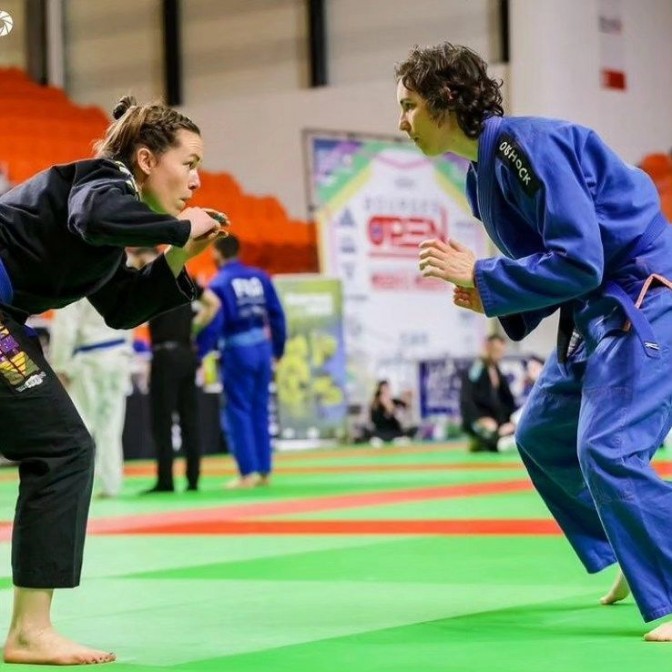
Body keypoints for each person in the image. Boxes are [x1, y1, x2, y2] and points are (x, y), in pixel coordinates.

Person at [398, 42, 672, 641]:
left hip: (651, 297)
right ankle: (639, 546)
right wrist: (486, 290)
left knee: (607, 448)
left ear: (445, 100)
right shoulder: (482, 175)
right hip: (595, 308)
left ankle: (664, 565)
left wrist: (486, 276)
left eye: (410, 105)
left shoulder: (526, 146)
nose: (402, 122)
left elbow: (579, 260)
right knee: (540, 436)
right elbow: (556, 270)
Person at [0, 94, 228, 664]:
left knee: (61, 445)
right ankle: (29, 631)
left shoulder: (106, 241)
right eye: (191, 161)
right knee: (63, 446)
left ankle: (30, 629)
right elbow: (94, 215)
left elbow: (122, 307)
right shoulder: (103, 180)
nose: (197, 180)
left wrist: (179, 254)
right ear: (147, 160)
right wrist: (176, 227)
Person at [196, 234, 286, 488]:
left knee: (238, 411)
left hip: (237, 349)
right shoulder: (260, 277)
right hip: (263, 348)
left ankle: (247, 473)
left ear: (217, 253)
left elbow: (215, 323)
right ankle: (265, 471)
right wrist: (278, 349)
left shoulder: (219, 283)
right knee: (260, 409)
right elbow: (277, 316)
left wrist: (199, 352)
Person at [127, 247, 219, 494]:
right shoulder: (184, 278)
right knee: (190, 418)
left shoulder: (151, 281)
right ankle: (193, 478)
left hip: (165, 355)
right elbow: (213, 304)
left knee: (162, 419)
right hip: (187, 352)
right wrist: (193, 328)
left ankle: (165, 480)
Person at [49, 298, 133, 498]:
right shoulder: (115, 271)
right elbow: (132, 315)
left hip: (90, 357)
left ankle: (75, 483)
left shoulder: (76, 281)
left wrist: (60, 365)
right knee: (111, 425)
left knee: (81, 425)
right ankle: (111, 483)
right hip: (119, 354)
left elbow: (65, 326)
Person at [459, 334, 516, 452]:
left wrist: (511, 421)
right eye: (497, 351)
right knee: (491, 434)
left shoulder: (497, 370)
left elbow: (507, 400)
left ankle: (490, 439)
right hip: (479, 418)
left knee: (515, 428)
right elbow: (466, 398)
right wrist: (478, 419)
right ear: (487, 349)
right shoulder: (477, 368)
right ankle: (484, 438)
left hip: (498, 419)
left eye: (501, 351)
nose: (500, 354)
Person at [368, 379, 417, 445]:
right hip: (381, 432)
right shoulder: (375, 404)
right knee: (376, 441)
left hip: (395, 432)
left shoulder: (393, 401)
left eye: (387, 388)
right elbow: (374, 420)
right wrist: (387, 411)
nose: (386, 391)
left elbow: (405, 405)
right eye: (384, 389)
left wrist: (408, 396)